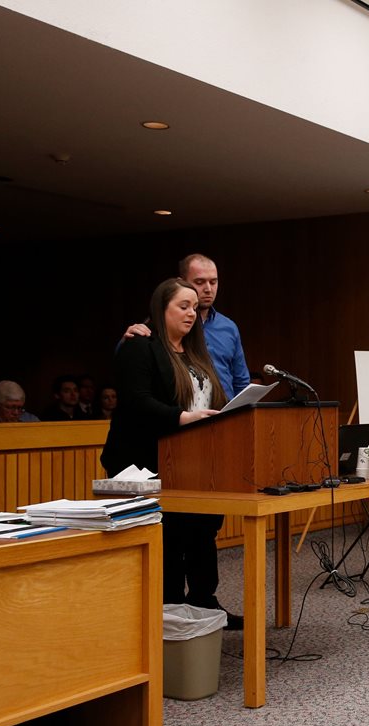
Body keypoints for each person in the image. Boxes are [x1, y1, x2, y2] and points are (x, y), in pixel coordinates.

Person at [102, 278, 241, 628]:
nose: (192, 313)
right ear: (160, 309)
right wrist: (184, 417)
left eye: (194, 307)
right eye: (183, 306)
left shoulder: (196, 351)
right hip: (148, 461)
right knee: (169, 537)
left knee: (202, 531)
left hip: (196, 461)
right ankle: (171, 612)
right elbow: (135, 402)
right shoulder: (141, 346)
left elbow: (210, 398)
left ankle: (203, 605)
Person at [124, 254, 250, 400]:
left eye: (213, 282)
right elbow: (132, 370)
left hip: (226, 413)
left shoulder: (229, 327)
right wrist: (126, 340)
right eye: (200, 282)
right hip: (183, 413)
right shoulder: (160, 326)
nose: (208, 289)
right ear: (182, 282)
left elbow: (241, 382)